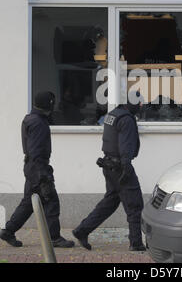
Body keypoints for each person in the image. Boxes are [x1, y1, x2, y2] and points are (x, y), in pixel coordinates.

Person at [0, 91, 74, 248]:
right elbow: (37, 151)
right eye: (52, 103)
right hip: (38, 168)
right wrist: (43, 176)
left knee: (28, 203)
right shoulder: (39, 123)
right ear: (49, 104)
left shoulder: (30, 119)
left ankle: (8, 231)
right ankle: (54, 238)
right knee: (51, 201)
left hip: (31, 167)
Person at [72, 93, 145, 251]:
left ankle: (82, 230)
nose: (140, 106)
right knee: (134, 205)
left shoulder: (113, 114)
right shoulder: (126, 119)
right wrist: (126, 168)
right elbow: (126, 146)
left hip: (109, 165)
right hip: (120, 167)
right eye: (139, 103)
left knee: (110, 202)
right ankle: (136, 243)